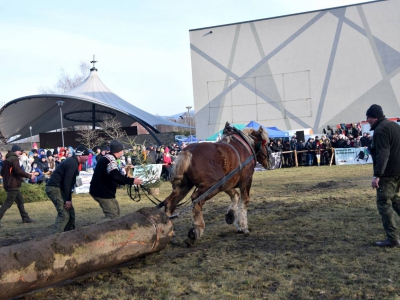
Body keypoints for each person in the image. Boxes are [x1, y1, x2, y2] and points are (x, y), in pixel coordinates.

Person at [367, 104, 400, 247]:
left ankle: (392, 238)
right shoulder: (394, 126)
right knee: (395, 200)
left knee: (384, 203)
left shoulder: (380, 130)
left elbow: (384, 153)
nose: (367, 120)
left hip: (388, 173)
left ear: (374, 117)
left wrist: (377, 175)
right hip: (398, 172)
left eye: (368, 118)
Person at [90, 140, 143, 220]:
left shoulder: (107, 158)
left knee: (116, 211)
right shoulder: (110, 160)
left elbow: (114, 176)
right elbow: (115, 175)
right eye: (122, 150)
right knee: (112, 216)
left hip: (102, 191)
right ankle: (97, 231)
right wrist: (132, 181)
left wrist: (127, 179)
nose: (123, 152)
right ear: (119, 151)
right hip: (102, 192)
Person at [45, 145, 89, 234]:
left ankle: (70, 235)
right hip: (54, 188)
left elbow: (72, 181)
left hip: (58, 187)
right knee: (64, 214)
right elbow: (67, 182)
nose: (88, 158)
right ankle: (54, 238)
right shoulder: (72, 163)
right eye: (87, 156)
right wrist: (68, 199)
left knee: (71, 212)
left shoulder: (73, 162)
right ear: (80, 155)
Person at [0, 144, 36, 227]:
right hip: (13, 184)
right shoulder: (14, 159)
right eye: (19, 151)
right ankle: (25, 218)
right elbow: (18, 170)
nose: (20, 152)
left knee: (20, 201)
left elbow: (3, 172)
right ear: (16, 151)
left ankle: (25, 218)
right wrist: (29, 176)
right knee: (8, 203)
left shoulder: (7, 160)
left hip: (9, 183)